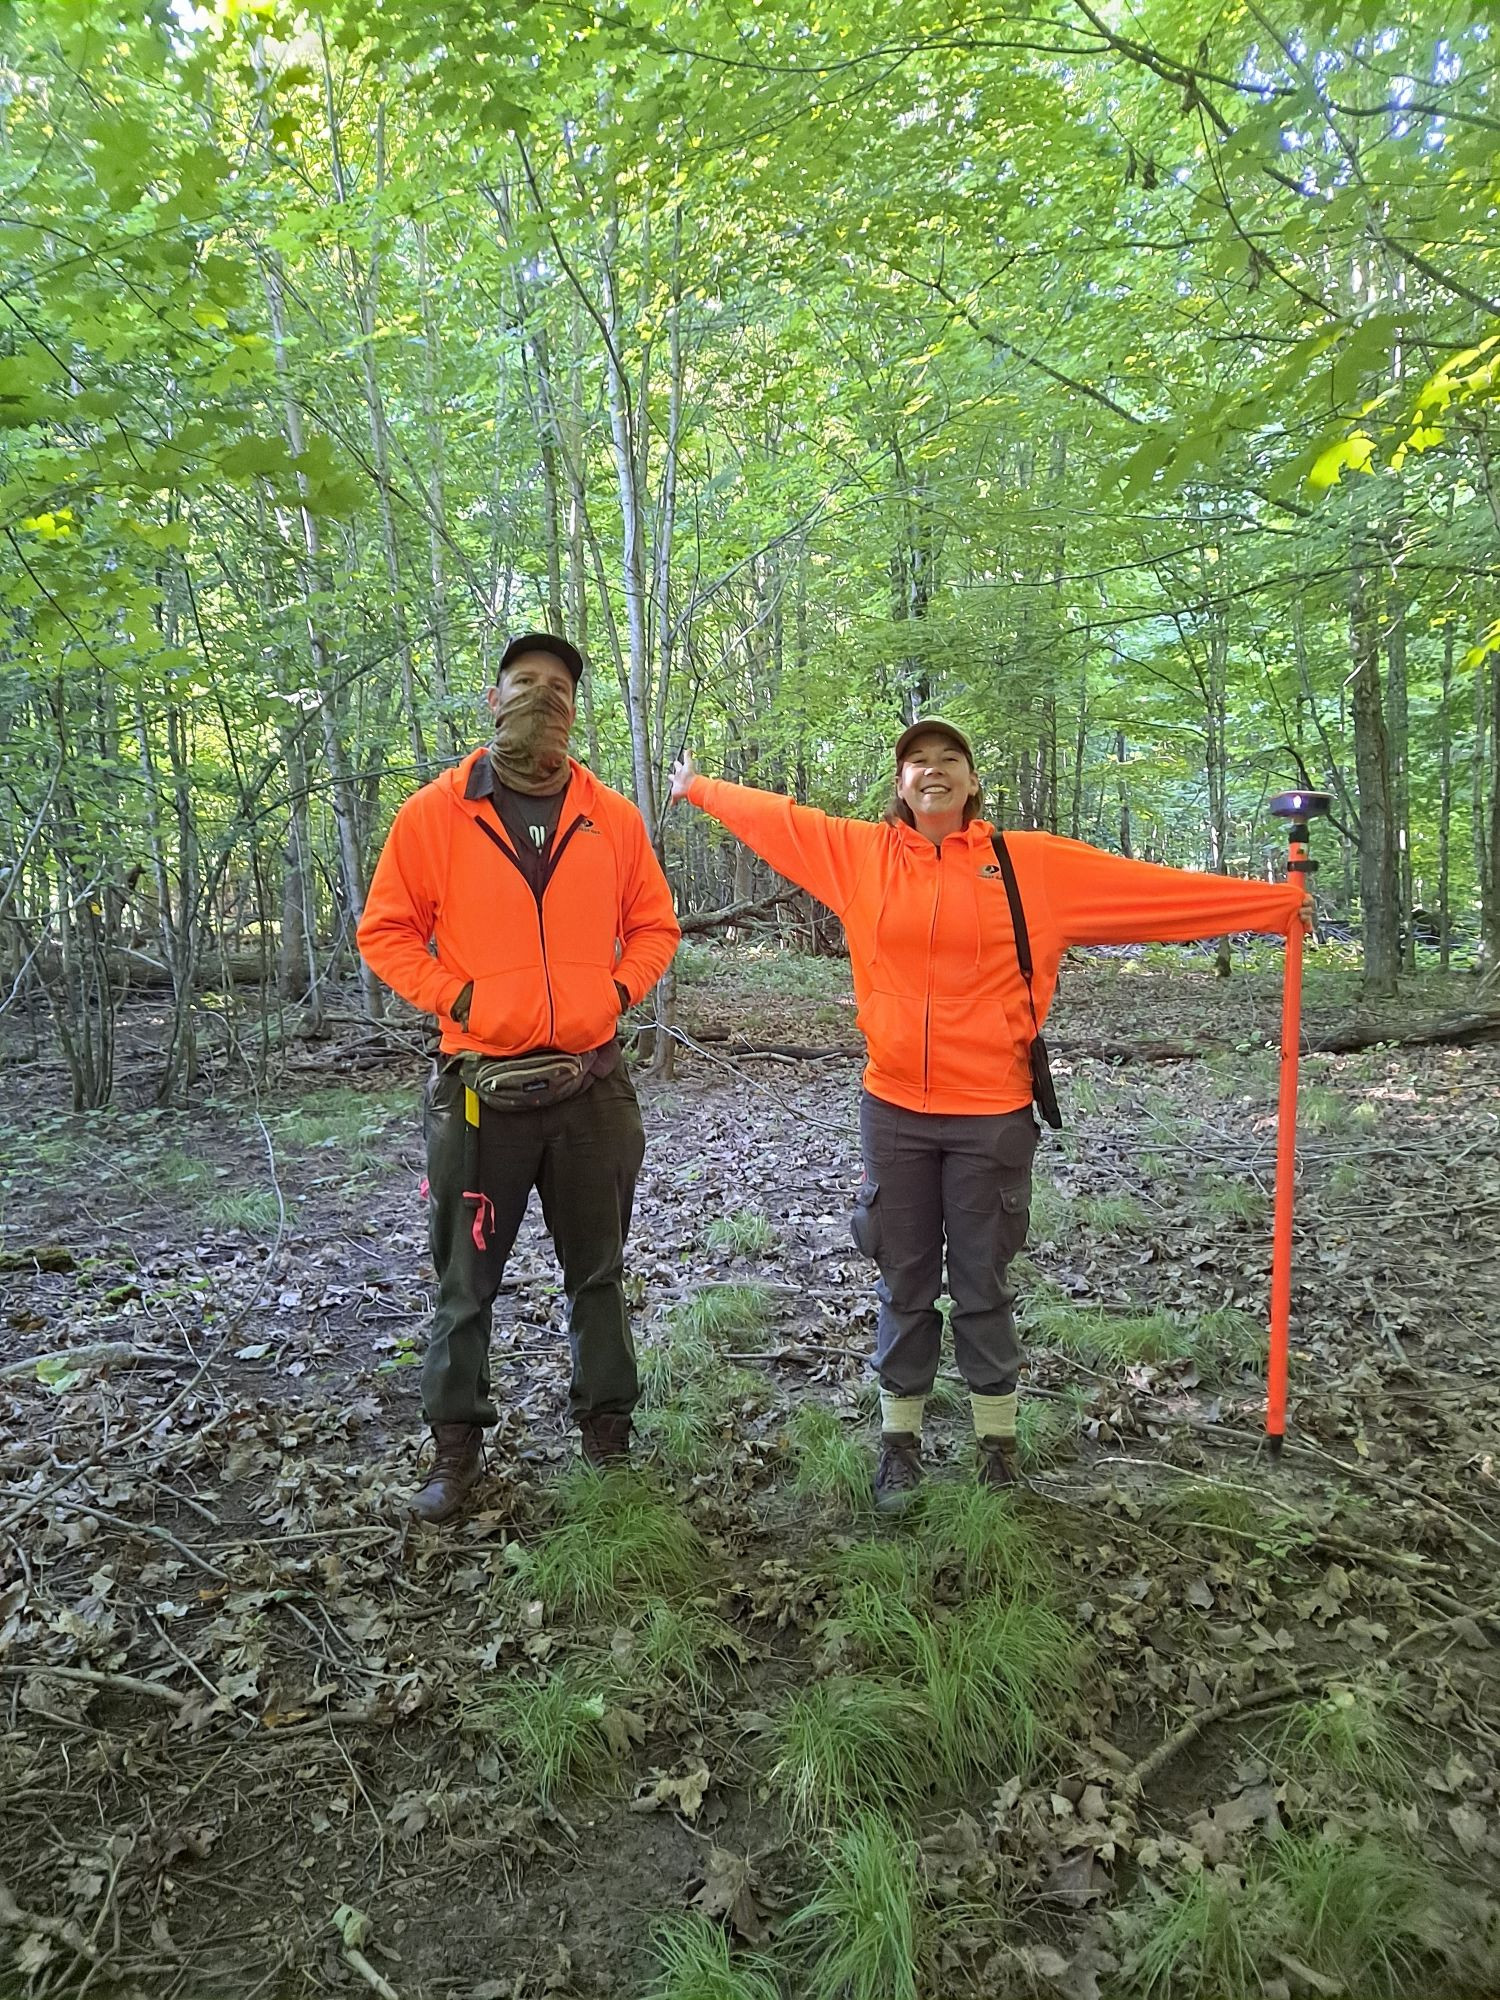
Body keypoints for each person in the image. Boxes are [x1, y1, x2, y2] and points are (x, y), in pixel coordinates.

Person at [670, 721, 1308, 1512]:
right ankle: (899, 1444)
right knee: (904, 1282)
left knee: (981, 1283)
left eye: (948, 762)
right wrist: (699, 788)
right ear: (899, 784)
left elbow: (1145, 888)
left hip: (992, 1116)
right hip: (895, 1111)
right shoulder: (860, 856)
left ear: (972, 783)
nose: (931, 772)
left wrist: (1271, 905)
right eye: (916, 763)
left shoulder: (1028, 865)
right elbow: (780, 820)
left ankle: (996, 1447)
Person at [359, 633, 680, 1522]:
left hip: (592, 1090)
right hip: (477, 1097)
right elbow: (384, 931)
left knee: (599, 1273)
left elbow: (655, 924)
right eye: (525, 683)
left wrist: (614, 991)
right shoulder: (436, 813)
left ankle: (607, 1443)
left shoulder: (609, 816)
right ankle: (455, 1454)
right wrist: (457, 995)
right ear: (493, 701)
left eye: (558, 688)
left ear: (574, 715)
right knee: (465, 1285)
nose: (543, 698)